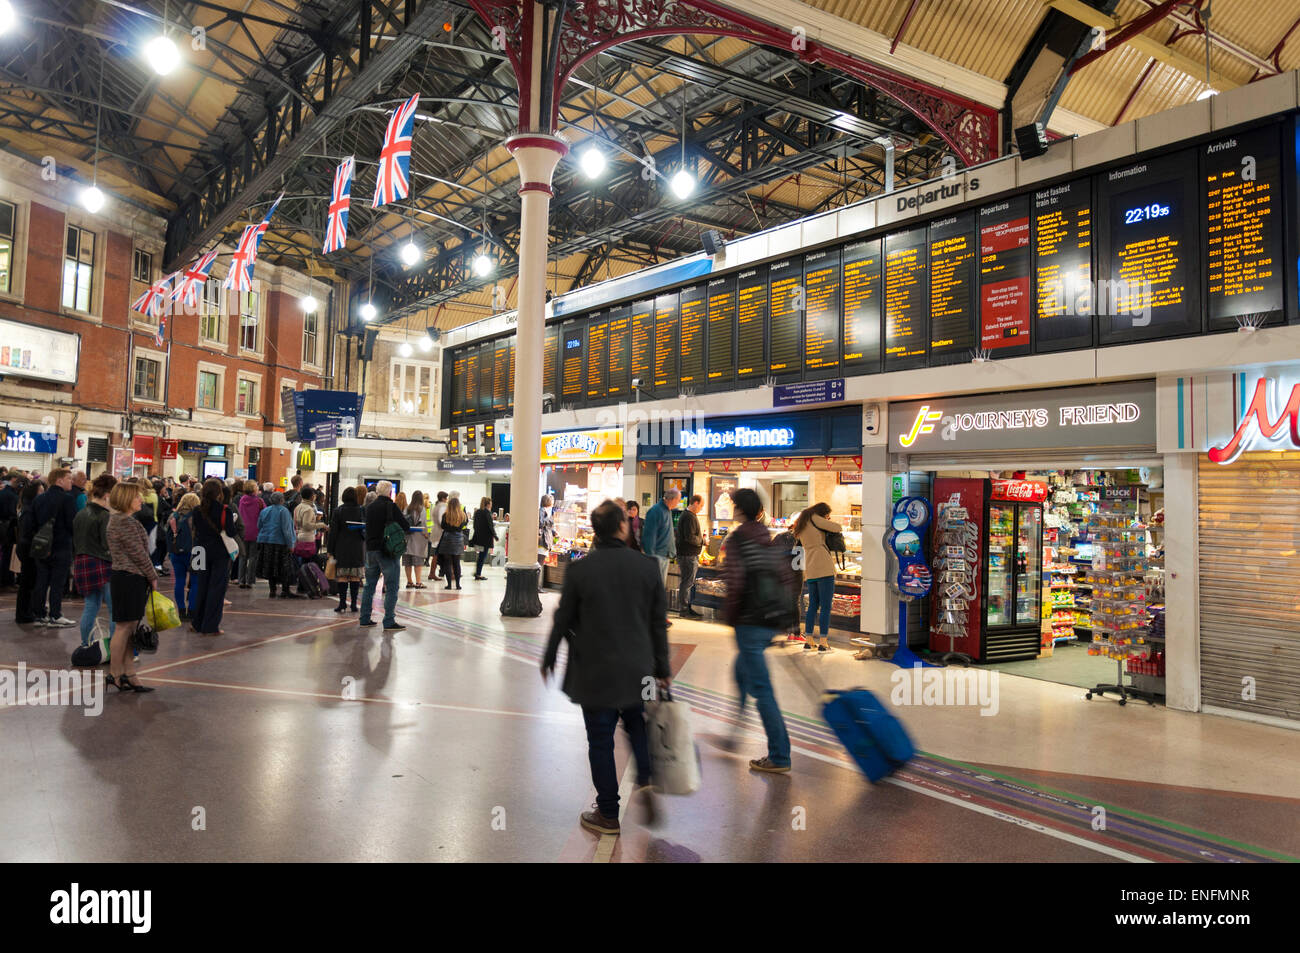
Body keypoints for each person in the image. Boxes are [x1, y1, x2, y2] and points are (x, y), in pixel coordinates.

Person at [542, 500, 670, 836]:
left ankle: (609, 813)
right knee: (637, 725)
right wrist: (664, 668)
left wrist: (550, 654)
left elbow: (563, 617)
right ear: (623, 527)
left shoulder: (581, 570)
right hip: (639, 667)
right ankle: (644, 780)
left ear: (595, 532)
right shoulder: (646, 567)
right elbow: (658, 623)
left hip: (594, 667)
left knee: (600, 740)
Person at [723, 487, 793, 774]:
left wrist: (729, 614)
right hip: (769, 620)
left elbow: (736, 581)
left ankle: (780, 755)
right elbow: (785, 575)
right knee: (741, 674)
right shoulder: (768, 537)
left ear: (740, 509)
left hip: (749, 621)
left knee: (762, 690)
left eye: (733, 505)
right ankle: (733, 733)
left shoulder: (739, 539)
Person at [105, 481, 157, 693]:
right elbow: (139, 554)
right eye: (137, 497)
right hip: (129, 578)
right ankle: (115, 673)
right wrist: (153, 576)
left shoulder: (122, 521)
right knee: (124, 627)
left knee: (130, 628)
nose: (141, 500)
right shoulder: (123, 523)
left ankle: (129, 673)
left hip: (128, 577)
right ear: (127, 499)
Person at [72, 473, 116, 647]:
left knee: (90, 606)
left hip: (82, 562)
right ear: (107, 495)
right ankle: (115, 648)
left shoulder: (81, 513)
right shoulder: (105, 516)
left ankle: (86, 644)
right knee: (114, 610)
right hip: (103, 563)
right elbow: (107, 544)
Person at [31, 468, 79, 627]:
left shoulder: (39, 499)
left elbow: (34, 522)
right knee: (58, 582)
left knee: (41, 581)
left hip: (42, 545)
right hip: (61, 546)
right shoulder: (67, 499)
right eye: (69, 478)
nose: (71, 481)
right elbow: (72, 524)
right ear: (59, 480)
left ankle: (38, 614)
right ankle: (55, 615)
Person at [359, 479, 408, 630]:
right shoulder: (391, 506)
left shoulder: (370, 507)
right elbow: (405, 525)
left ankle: (365, 618)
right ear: (390, 492)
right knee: (392, 587)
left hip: (371, 550)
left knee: (369, 586)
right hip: (387, 551)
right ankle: (389, 621)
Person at [793, 501, 842, 653]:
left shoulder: (802, 521)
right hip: (824, 566)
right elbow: (837, 528)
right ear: (823, 513)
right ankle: (823, 643)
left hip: (811, 568)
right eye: (827, 515)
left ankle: (808, 641)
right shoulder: (814, 517)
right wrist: (827, 521)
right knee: (826, 606)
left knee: (813, 605)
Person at [191, 478, 236, 636]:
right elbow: (231, 532)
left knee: (200, 586)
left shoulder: (197, 510)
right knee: (216, 588)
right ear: (219, 493)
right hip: (219, 552)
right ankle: (210, 626)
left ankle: (196, 622)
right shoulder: (225, 510)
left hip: (200, 551)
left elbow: (195, 529)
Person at [328, 486, 366, 613]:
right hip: (357, 548)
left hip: (341, 547)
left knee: (342, 576)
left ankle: (342, 603)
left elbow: (333, 533)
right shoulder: (361, 510)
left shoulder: (338, 511)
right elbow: (365, 529)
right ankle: (354, 604)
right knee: (355, 577)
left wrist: (330, 550)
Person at [164, 493, 201, 620]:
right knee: (196, 582)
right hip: (197, 552)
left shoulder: (173, 516)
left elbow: (166, 534)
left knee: (179, 580)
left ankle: (180, 609)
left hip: (176, 552)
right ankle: (192, 610)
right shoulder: (197, 516)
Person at [256, 492, 299, 599]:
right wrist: (291, 544)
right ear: (282, 500)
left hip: (266, 542)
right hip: (280, 543)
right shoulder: (283, 511)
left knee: (270, 567)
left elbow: (259, 525)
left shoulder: (265, 510)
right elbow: (287, 530)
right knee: (285, 568)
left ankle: (272, 590)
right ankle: (285, 590)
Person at [13, 480, 42, 623]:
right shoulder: (29, 510)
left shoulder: (26, 507)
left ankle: (26, 611)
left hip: (25, 547)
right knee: (27, 583)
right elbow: (29, 531)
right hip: (28, 548)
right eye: (41, 492)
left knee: (28, 582)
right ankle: (24, 614)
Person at [641, 487, 680, 591]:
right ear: (673, 499)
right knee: (655, 588)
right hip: (657, 556)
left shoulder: (667, 511)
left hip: (664, 556)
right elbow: (649, 536)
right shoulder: (655, 511)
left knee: (659, 588)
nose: (678, 503)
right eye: (678, 500)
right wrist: (651, 558)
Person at [675, 494, 705, 618]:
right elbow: (690, 537)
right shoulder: (689, 517)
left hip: (688, 554)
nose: (701, 508)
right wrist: (702, 541)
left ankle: (686, 608)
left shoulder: (689, 516)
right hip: (688, 555)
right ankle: (684, 609)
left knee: (687, 582)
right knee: (687, 582)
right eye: (701, 505)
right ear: (695, 503)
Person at [292, 485, 327, 590]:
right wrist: (321, 525)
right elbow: (307, 525)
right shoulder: (308, 509)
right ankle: (304, 585)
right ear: (311, 496)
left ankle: (301, 585)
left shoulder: (298, 507)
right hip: (307, 538)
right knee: (307, 563)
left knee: (302, 562)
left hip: (298, 536)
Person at [237, 480, 264, 589]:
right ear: (254, 489)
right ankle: (250, 581)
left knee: (243, 556)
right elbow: (264, 514)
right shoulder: (259, 501)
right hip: (255, 531)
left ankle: (241, 580)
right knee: (253, 557)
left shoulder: (242, 500)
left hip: (243, 531)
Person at [437, 496, 468, 590]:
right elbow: (464, 524)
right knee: (457, 563)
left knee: (447, 563)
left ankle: (449, 584)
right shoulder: (463, 515)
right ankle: (458, 585)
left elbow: (442, 526)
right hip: (458, 539)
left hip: (447, 539)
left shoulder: (446, 515)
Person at [403, 490, 430, 589]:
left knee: (407, 562)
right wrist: (426, 534)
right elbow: (423, 524)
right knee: (418, 562)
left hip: (407, 538)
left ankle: (409, 582)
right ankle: (418, 582)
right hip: (418, 539)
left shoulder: (407, 508)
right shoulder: (421, 509)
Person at [0, 473, 21, 587]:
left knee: (5, 554)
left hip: (3, 526)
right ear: (13, 479)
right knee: (8, 554)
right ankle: (7, 580)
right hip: (8, 528)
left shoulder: (3, 493)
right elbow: (12, 513)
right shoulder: (12, 495)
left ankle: (5, 579)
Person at [469, 496, 497, 580]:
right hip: (485, 539)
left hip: (478, 538)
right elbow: (490, 526)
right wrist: (495, 535)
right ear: (488, 504)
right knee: (482, 556)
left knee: (480, 556)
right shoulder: (487, 513)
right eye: (491, 504)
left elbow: (474, 525)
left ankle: (477, 572)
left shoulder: (477, 512)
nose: (491, 505)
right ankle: (478, 574)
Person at [428, 490, 448, 580]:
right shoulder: (442, 506)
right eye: (446, 498)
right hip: (440, 532)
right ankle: (434, 573)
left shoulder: (435, 506)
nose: (447, 500)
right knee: (438, 553)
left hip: (435, 531)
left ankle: (432, 573)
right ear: (443, 498)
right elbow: (441, 520)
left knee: (435, 554)